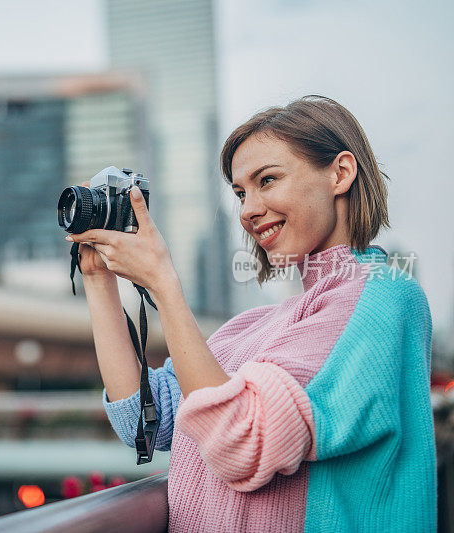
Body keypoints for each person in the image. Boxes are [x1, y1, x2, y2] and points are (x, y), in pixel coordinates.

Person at [66, 95, 435, 532]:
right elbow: (144, 421)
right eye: (241, 192)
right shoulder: (255, 326)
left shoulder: (383, 298)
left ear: (340, 173)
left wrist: (163, 284)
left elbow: (242, 440)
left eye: (268, 180)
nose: (248, 210)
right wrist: (97, 277)